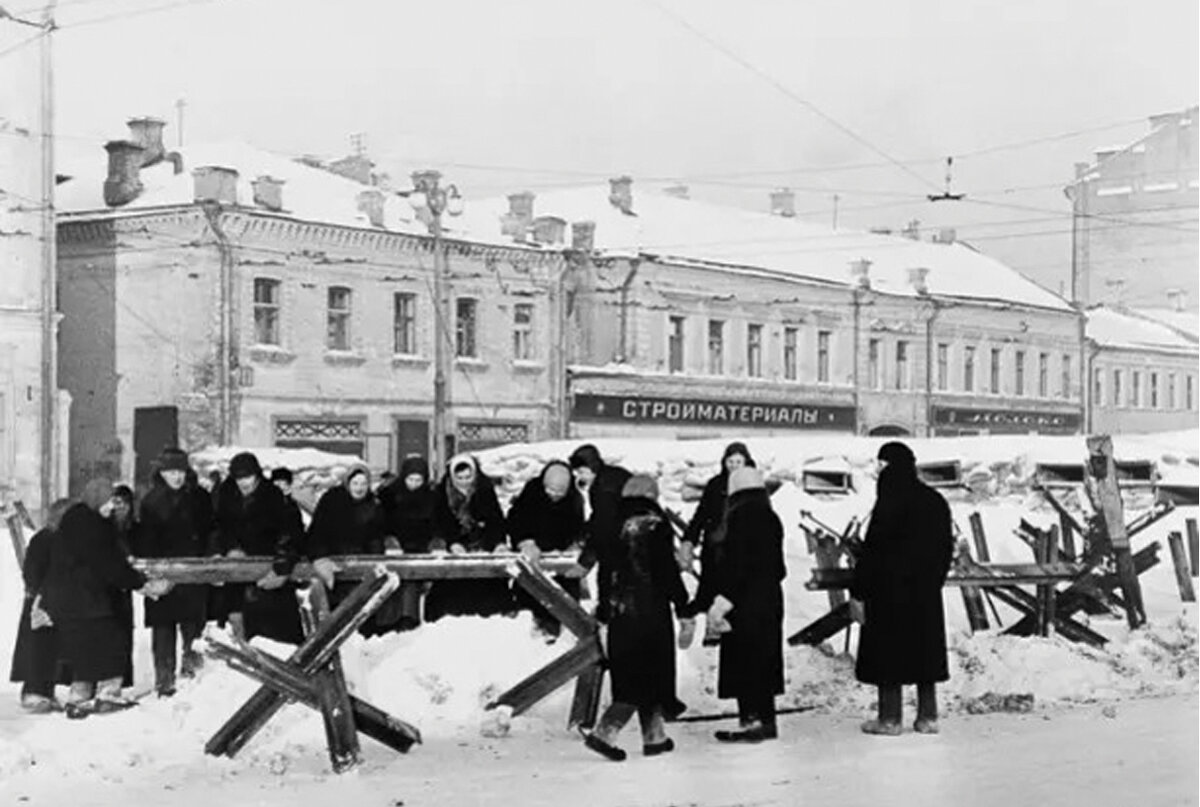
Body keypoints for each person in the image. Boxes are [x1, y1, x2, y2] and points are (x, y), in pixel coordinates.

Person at [582, 475, 692, 762]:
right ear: (652, 495)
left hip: (621, 612)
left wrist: (604, 609)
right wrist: (683, 606)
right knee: (645, 675)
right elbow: (665, 569)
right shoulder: (655, 522)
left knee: (633, 672)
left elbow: (605, 572)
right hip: (651, 611)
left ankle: (655, 737)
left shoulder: (610, 522)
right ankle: (604, 734)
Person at [849, 441, 954, 736]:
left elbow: (875, 553)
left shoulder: (890, 501)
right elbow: (945, 549)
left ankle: (890, 719)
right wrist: (932, 581)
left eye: (881, 465)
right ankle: (928, 717)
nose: (879, 472)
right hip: (924, 594)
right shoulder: (935, 500)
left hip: (888, 594)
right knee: (924, 654)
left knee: (888, 657)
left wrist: (859, 589)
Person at [40, 479, 168, 719]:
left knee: (84, 649)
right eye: (109, 501)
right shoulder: (90, 525)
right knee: (110, 644)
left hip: (72, 599)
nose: (112, 507)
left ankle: (79, 698)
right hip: (87, 598)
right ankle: (107, 694)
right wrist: (139, 583)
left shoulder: (77, 518)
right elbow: (107, 563)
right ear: (96, 498)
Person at [706, 466, 786, 743]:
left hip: (743, 600)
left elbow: (736, 565)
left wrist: (723, 599)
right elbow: (779, 568)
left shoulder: (739, 518)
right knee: (764, 659)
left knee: (744, 659)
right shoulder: (771, 518)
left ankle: (750, 720)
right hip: (770, 599)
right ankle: (766, 720)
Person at [136, 447, 216, 697]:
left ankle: (193, 678)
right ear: (161, 473)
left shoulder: (200, 497)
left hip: (193, 571)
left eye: (180, 471)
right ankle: (164, 682)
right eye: (171, 472)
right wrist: (153, 572)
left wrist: (209, 558)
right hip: (163, 572)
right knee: (163, 629)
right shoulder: (150, 501)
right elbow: (146, 539)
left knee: (194, 626)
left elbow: (211, 530)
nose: (177, 477)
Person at [213, 452, 305, 644]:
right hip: (237, 575)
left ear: (257, 475)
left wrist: (282, 567)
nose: (244, 482)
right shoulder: (226, 495)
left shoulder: (273, 496)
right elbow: (219, 528)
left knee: (276, 637)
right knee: (238, 632)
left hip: (269, 573)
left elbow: (289, 535)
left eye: (248, 477)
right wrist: (230, 548)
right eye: (239, 478)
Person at [306, 464, 398, 635]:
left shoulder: (373, 504)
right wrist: (321, 557)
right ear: (348, 483)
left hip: (362, 566)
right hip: (335, 563)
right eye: (355, 483)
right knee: (338, 614)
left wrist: (374, 559)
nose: (359, 488)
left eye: (363, 484)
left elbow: (376, 537)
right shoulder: (332, 501)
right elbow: (317, 532)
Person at [680, 442, 755, 640]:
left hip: (741, 548)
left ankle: (736, 632)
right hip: (715, 547)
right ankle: (712, 632)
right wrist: (689, 539)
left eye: (739, 461)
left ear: (746, 462)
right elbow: (701, 514)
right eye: (730, 461)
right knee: (712, 589)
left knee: (737, 591)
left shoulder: (752, 486)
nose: (734, 465)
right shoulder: (716, 485)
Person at [425, 454, 512, 621]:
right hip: (455, 544)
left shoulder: (484, 489)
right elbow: (440, 523)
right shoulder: (442, 492)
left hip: (482, 543)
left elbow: (495, 520)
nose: (464, 482)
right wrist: (453, 543)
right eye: (460, 478)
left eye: (468, 477)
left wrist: (498, 543)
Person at [506, 460, 587, 640]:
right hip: (533, 554)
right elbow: (515, 521)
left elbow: (579, 528)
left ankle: (568, 633)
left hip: (560, 556)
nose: (554, 496)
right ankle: (536, 630)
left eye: (559, 493)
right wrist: (525, 542)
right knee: (531, 592)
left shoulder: (575, 499)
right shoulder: (532, 492)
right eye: (550, 491)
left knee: (566, 595)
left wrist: (575, 544)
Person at [9, 498, 74, 713]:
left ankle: (47, 690)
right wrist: (40, 593)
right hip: (40, 601)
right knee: (38, 648)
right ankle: (34, 691)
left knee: (53, 649)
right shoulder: (44, 539)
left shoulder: (66, 540)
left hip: (58, 601)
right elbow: (32, 570)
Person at [568, 444, 632, 616]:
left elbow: (603, 527)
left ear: (591, 467)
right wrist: (585, 529)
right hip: (630, 539)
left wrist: (585, 562)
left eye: (581, 472)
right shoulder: (613, 476)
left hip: (620, 545)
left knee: (609, 584)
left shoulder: (603, 488)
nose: (580, 477)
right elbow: (601, 517)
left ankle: (607, 621)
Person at [377, 454, 438, 631]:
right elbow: (381, 522)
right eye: (410, 479)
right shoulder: (389, 495)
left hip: (422, 547)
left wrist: (436, 543)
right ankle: (392, 621)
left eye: (418, 480)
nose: (414, 484)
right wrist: (389, 540)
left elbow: (437, 525)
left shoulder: (432, 497)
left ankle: (410, 619)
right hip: (395, 547)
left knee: (414, 575)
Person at [109, 484, 138, 689]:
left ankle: (124, 680)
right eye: (117, 502)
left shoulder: (133, 527)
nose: (121, 507)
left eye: (125, 503)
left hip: (125, 588)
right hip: (106, 586)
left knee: (125, 632)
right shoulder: (104, 526)